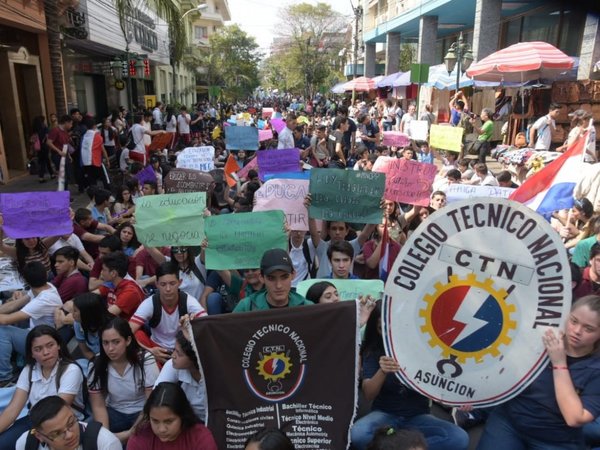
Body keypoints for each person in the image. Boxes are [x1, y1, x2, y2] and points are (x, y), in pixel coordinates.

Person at [477, 295, 600, 449]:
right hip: (510, 422)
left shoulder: (595, 369)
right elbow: (498, 370)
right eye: (573, 321)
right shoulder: (542, 338)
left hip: (555, 439)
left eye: (588, 329)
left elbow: (574, 418)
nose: (576, 331)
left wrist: (559, 363)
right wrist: (471, 396)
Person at [350, 302, 468, 450]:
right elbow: (368, 394)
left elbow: (442, 385)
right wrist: (382, 371)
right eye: (382, 328)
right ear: (376, 329)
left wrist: (461, 400)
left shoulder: (424, 349)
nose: (389, 332)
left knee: (459, 438)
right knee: (358, 434)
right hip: (384, 414)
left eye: (393, 326)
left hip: (419, 416)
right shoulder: (373, 351)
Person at [0, 326, 85, 447]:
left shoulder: (71, 370)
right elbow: (13, 409)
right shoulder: (29, 370)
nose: (46, 352)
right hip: (34, 421)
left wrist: (39, 434)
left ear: (59, 345)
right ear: (32, 353)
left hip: (63, 425)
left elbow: (57, 410)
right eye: (38, 349)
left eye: (50, 345)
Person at [88, 317, 158, 443]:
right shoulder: (97, 363)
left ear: (128, 340)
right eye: (105, 343)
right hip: (114, 411)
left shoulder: (145, 360)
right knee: (91, 434)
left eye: (116, 342)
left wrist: (130, 433)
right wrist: (106, 438)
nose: (110, 348)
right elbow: (98, 406)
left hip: (142, 412)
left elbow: (151, 403)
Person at [129, 262, 206, 365]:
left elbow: (207, 325)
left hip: (181, 351)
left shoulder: (188, 301)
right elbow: (126, 331)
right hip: (156, 350)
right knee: (137, 335)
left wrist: (193, 325)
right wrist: (150, 351)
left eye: (172, 283)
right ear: (156, 284)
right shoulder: (150, 303)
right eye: (163, 284)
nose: (168, 289)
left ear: (180, 282)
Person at [0, 262, 63, 386]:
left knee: (2, 331)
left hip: (40, 341)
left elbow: (5, 320)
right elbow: (15, 304)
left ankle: (4, 377)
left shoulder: (44, 299)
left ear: (25, 280)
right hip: (34, 331)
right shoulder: (46, 286)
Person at [127, 382, 217, 449]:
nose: (161, 429)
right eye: (155, 421)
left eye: (169, 421)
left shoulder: (200, 437)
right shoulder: (140, 437)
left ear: (182, 416)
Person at [15, 395, 121, 450]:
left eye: (71, 423)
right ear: (39, 436)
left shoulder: (105, 443)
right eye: (56, 433)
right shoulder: (25, 444)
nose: (69, 435)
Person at [233, 248, 313, 312]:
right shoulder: (246, 307)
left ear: (293, 275)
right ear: (261, 278)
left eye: (284, 277)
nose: (279, 285)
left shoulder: (307, 308)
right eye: (271, 278)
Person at [154, 329, 207, 422]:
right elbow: (157, 394)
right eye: (174, 350)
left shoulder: (213, 375)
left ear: (194, 358)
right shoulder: (172, 365)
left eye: (179, 353)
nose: (173, 356)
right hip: (187, 419)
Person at [72, 292, 114, 363]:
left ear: (87, 313)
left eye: (75, 311)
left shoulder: (113, 327)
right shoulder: (78, 324)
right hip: (96, 360)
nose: (72, 314)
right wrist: (96, 363)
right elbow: (86, 351)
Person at [31, 115, 55, 183]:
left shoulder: (34, 129)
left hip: (38, 147)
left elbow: (33, 139)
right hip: (44, 146)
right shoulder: (44, 128)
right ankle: (41, 177)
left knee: (44, 161)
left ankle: (51, 174)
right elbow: (48, 136)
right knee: (44, 162)